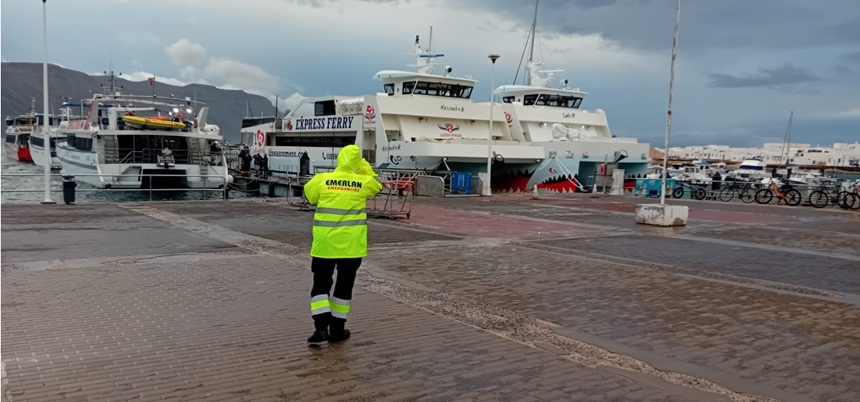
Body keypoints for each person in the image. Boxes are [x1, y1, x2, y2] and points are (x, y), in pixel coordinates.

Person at [303, 145, 382, 345]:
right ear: (356, 162)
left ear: (339, 159)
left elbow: (310, 196)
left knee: (321, 284)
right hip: (351, 245)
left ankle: (320, 329)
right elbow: (377, 186)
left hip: (325, 244)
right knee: (344, 286)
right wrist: (363, 166)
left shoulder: (322, 179)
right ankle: (337, 329)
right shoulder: (362, 182)